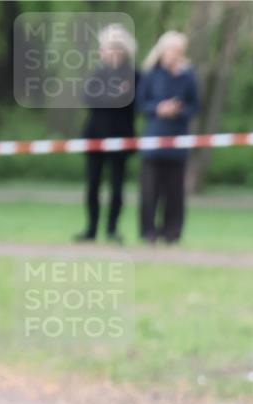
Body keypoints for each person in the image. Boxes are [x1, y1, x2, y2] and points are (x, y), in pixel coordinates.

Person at [74, 24, 139, 245]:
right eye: (106, 48)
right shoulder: (97, 73)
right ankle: (91, 229)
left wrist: (109, 98)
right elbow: (88, 99)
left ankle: (112, 229)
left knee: (117, 186)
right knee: (92, 184)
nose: (110, 52)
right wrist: (112, 97)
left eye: (114, 48)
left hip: (121, 137)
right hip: (95, 136)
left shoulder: (133, 75)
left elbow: (130, 102)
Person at [136, 31, 199, 245]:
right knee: (150, 191)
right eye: (173, 50)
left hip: (177, 141)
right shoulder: (150, 75)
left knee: (175, 192)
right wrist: (158, 108)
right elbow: (140, 104)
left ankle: (172, 232)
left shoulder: (188, 76)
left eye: (180, 51)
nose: (176, 54)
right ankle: (148, 232)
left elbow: (195, 106)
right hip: (153, 141)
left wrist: (179, 110)